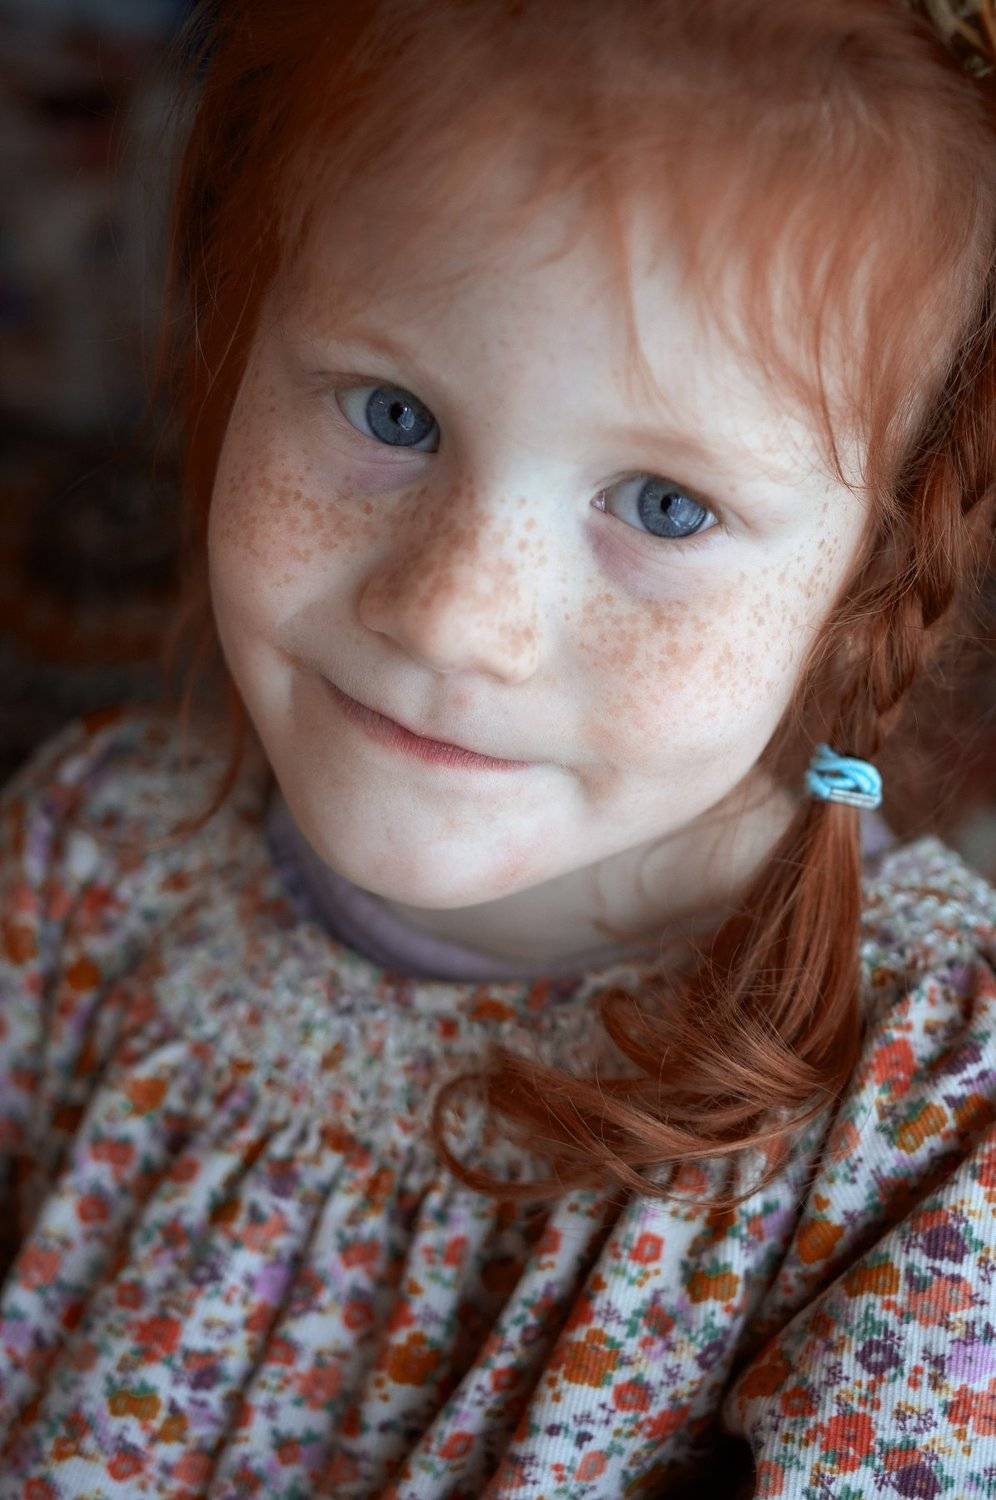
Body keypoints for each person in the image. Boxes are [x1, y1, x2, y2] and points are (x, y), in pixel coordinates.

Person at [1, 0, 995, 1494]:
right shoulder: (86, 864)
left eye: (664, 505)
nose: (455, 616)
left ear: (867, 574)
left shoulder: (921, 1115)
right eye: (393, 413)